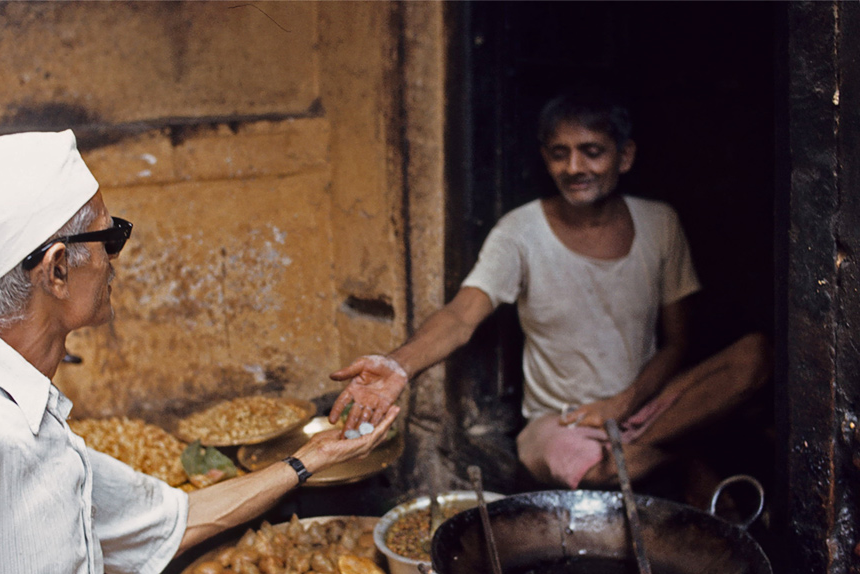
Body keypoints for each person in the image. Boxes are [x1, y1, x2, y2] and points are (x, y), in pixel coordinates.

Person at [0, 130, 400, 574]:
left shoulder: (27, 420)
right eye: (108, 237)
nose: (115, 258)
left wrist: (312, 458)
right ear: (57, 269)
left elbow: (171, 521)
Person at [328, 87, 770, 494]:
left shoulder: (660, 223)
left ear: (626, 156)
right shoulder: (519, 232)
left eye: (592, 152)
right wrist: (398, 367)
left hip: (648, 409)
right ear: (546, 158)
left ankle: (656, 455)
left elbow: (678, 343)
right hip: (562, 424)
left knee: (754, 356)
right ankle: (681, 465)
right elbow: (461, 317)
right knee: (611, 472)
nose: (574, 168)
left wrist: (624, 402)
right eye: (560, 154)